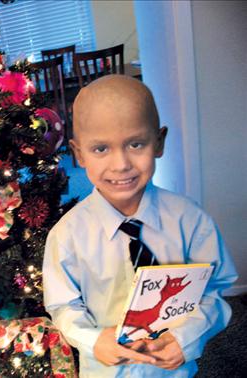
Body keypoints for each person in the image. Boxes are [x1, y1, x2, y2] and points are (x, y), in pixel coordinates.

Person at [42, 75, 237, 377]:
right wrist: (93, 341)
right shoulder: (67, 236)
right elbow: (63, 306)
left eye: (136, 144)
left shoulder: (191, 221)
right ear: (78, 153)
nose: (121, 164)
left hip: (174, 371)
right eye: (100, 149)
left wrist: (185, 339)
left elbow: (213, 291)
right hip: (106, 372)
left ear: (158, 142)